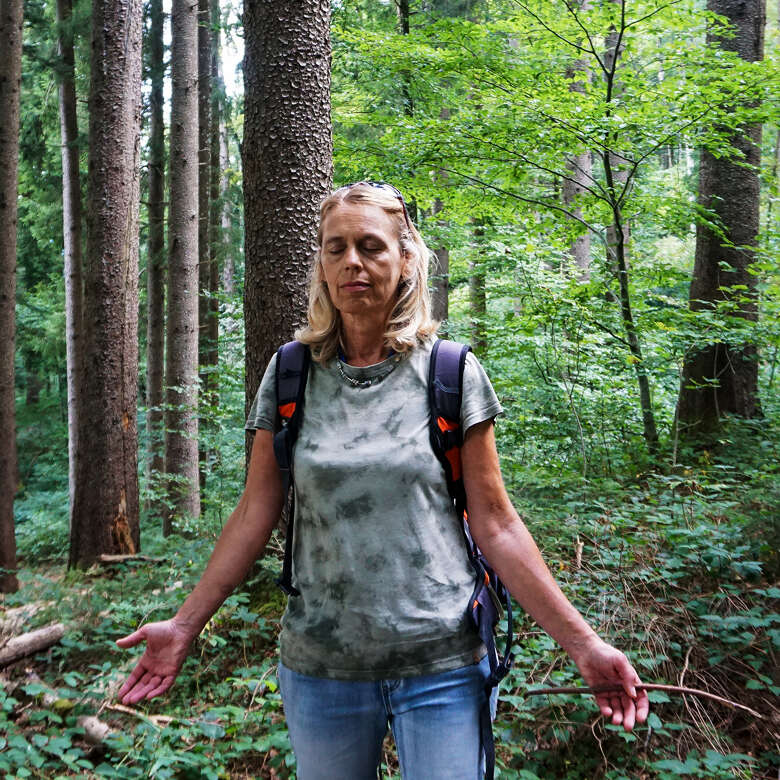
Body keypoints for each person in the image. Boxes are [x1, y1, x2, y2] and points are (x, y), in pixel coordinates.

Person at [117, 182, 649, 779]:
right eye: (335, 247)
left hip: (443, 664)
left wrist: (584, 645)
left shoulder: (450, 373)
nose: (352, 262)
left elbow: (496, 525)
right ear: (320, 263)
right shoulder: (291, 372)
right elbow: (254, 512)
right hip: (322, 666)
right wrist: (185, 624)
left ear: (405, 259)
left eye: (371, 246)